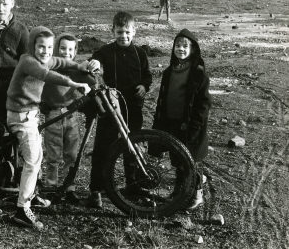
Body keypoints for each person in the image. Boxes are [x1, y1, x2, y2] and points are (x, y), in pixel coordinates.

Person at [7, 26, 98, 230]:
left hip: (30, 114)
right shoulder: (28, 61)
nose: (46, 51)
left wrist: (80, 66)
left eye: (49, 47)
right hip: (20, 116)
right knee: (33, 160)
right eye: (41, 46)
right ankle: (22, 209)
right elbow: (48, 75)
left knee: (38, 154)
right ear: (33, 46)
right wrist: (75, 84)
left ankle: (32, 193)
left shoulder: (45, 58)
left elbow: (61, 62)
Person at [85, 11, 152, 208]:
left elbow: (147, 76)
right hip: (109, 109)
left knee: (132, 148)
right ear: (112, 31)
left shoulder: (140, 53)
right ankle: (96, 190)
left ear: (134, 31)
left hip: (133, 109)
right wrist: (95, 62)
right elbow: (96, 58)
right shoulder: (106, 51)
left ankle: (133, 185)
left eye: (127, 32)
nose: (123, 36)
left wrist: (144, 86)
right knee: (103, 149)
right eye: (119, 32)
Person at [152, 29, 211, 210]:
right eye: (178, 45)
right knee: (178, 160)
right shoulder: (169, 72)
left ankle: (197, 194)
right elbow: (162, 99)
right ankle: (178, 193)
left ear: (193, 49)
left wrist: (195, 126)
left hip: (191, 126)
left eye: (185, 46)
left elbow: (204, 104)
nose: (181, 49)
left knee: (192, 161)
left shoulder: (198, 73)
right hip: (172, 123)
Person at [40, 33, 92, 204]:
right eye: (62, 48)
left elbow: (93, 79)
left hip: (71, 115)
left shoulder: (77, 69)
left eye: (70, 49)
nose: (66, 52)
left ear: (75, 51)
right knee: (53, 153)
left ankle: (69, 187)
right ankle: (51, 186)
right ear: (56, 48)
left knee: (72, 153)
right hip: (53, 115)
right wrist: (42, 105)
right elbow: (36, 86)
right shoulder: (49, 67)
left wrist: (94, 66)